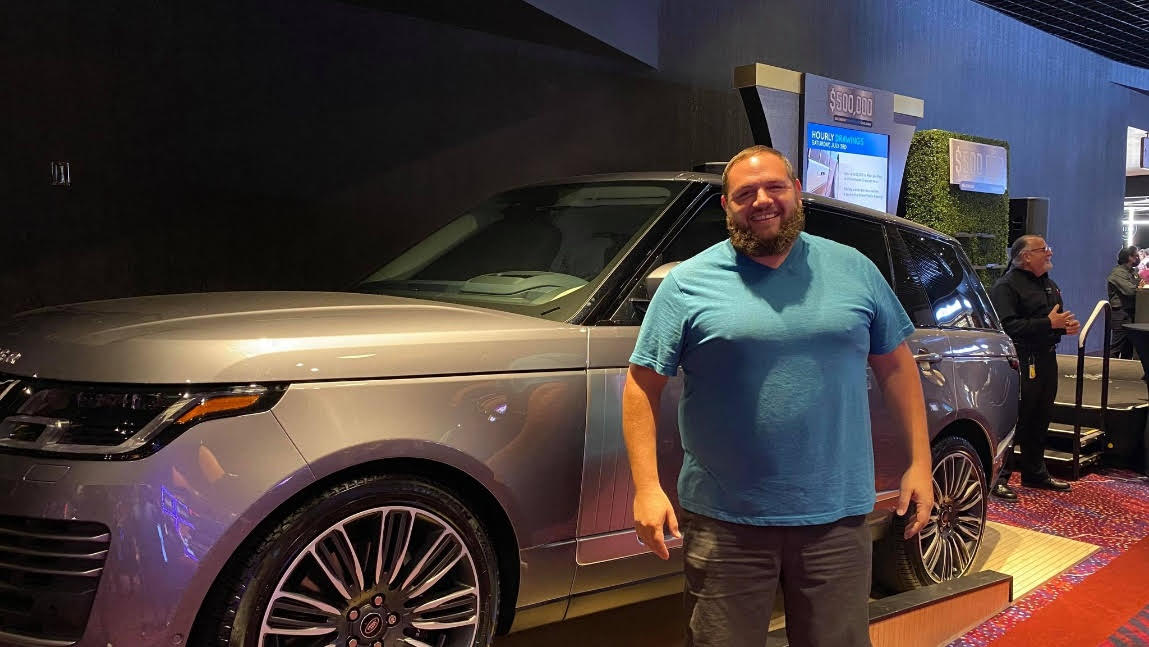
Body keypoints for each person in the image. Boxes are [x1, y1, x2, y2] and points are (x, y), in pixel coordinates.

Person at [620, 145, 933, 647]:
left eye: (775, 187)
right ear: (726, 205)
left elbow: (897, 366)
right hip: (725, 520)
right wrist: (646, 488)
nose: (762, 200)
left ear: (797, 193)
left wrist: (920, 462)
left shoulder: (854, 269)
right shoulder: (686, 285)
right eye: (745, 193)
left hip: (837, 517)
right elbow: (640, 386)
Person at [988, 235, 1080, 501]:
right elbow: (1006, 327)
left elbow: (1052, 321)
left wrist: (1063, 327)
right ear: (1026, 256)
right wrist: (1048, 324)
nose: (1049, 253)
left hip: (1046, 358)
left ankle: (1034, 473)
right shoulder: (1006, 287)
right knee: (1016, 418)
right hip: (1020, 359)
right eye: (1044, 249)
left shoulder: (1050, 285)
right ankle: (1000, 478)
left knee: (1041, 416)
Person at [1108, 246, 1142, 359]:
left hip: (1131, 313)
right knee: (1116, 347)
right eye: (1136, 255)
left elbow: (1140, 284)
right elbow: (1130, 290)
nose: (1138, 258)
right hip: (1120, 314)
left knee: (1128, 348)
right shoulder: (1118, 273)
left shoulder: (1133, 272)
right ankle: (1109, 368)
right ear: (1129, 257)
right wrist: (1139, 287)